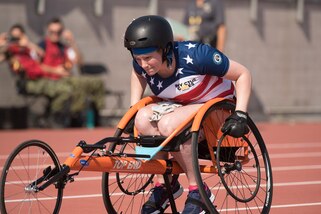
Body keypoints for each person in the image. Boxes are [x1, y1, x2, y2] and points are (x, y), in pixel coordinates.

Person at [124, 15, 251, 213]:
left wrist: (241, 114)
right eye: (138, 59)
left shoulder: (198, 56)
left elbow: (243, 74)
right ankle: (165, 185)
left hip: (216, 111)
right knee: (141, 118)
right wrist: (133, 107)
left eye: (148, 58)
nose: (144, 65)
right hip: (181, 107)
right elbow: (137, 74)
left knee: (168, 125)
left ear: (165, 49)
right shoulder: (142, 65)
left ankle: (198, 189)